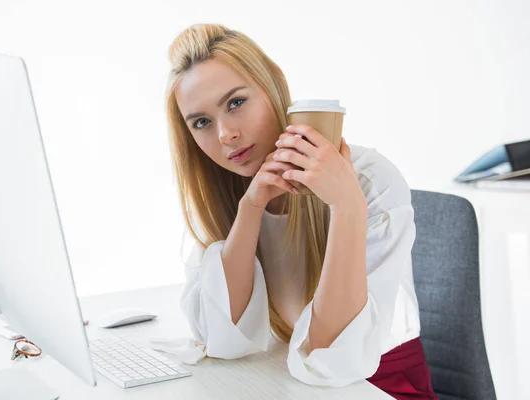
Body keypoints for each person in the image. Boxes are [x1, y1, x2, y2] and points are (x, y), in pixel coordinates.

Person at [163, 23, 437, 399]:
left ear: (274, 83)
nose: (226, 134)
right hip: (289, 382)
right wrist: (251, 208)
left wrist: (346, 206)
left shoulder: (370, 180)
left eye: (236, 102)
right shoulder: (225, 193)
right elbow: (223, 341)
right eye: (202, 122)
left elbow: (333, 363)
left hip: (378, 387)